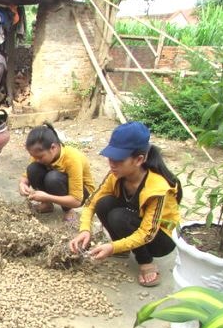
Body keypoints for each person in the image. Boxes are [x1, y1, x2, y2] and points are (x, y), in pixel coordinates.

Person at [69, 122, 182, 287]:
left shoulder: (158, 188)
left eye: (119, 160)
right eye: (110, 158)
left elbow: (147, 233)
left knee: (119, 217)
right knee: (103, 203)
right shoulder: (116, 175)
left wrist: (111, 247)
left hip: (160, 238)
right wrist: (85, 230)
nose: (112, 164)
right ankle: (122, 249)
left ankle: (146, 262)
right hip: (134, 220)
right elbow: (91, 203)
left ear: (139, 159)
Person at [18, 123, 95, 221]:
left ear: (53, 148)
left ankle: (68, 210)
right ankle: (47, 205)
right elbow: (26, 176)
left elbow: (77, 200)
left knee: (53, 178)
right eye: (34, 156)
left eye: (40, 157)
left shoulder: (72, 158)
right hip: (59, 183)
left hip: (82, 194)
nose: (36, 159)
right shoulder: (40, 155)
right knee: (33, 169)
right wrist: (22, 184)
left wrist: (47, 197)